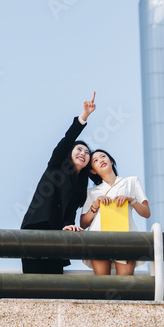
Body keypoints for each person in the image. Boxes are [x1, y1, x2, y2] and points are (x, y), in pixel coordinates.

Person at [20, 92, 96, 274]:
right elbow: (68, 138)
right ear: (69, 153)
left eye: (87, 153)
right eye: (79, 149)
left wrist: (69, 225)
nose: (83, 154)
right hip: (37, 228)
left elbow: (70, 211)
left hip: (59, 236)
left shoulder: (80, 187)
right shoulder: (55, 166)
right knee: (32, 282)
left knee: (53, 285)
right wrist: (84, 116)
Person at [80, 149, 151, 275]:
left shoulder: (131, 181)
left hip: (126, 237)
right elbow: (83, 224)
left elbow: (146, 213)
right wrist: (95, 205)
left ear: (111, 161)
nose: (101, 160)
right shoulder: (91, 192)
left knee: (125, 285)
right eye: (95, 161)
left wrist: (131, 200)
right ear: (93, 170)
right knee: (102, 284)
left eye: (103, 156)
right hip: (98, 237)